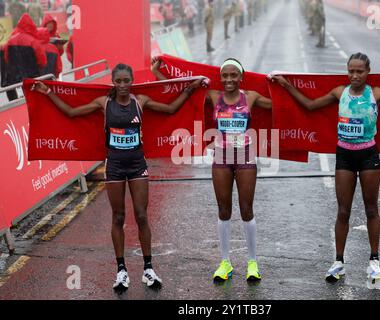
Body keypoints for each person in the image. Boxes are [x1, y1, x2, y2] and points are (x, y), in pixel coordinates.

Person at [31, 63, 203, 292]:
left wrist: (190, 90)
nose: (122, 85)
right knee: (118, 217)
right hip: (114, 166)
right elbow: (71, 113)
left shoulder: (140, 102)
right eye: (118, 81)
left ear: (132, 81)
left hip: (137, 164)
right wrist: (48, 92)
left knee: (142, 216)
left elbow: (171, 109)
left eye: (126, 81)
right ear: (113, 82)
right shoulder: (104, 103)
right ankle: (121, 271)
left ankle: (148, 269)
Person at [273, 53, 380, 283]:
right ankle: (338, 262)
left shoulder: (377, 94)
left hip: (368, 155)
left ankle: (374, 261)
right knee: (343, 211)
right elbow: (310, 106)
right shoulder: (339, 93)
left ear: (368, 71)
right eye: (351, 71)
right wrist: (287, 85)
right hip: (344, 156)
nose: (354, 75)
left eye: (359, 71)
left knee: (371, 209)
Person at [151, 57, 272, 282]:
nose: (228, 79)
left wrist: (283, 84)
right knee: (223, 210)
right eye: (224, 75)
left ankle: (252, 263)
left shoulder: (250, 97)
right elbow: (180, 88)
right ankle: (225, 262)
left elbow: (281, 105)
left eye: (233, 75)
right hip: (221, 158)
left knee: (246, 209)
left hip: (245, 157)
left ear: (241, 77)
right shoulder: (215, 97)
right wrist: (158, 72)